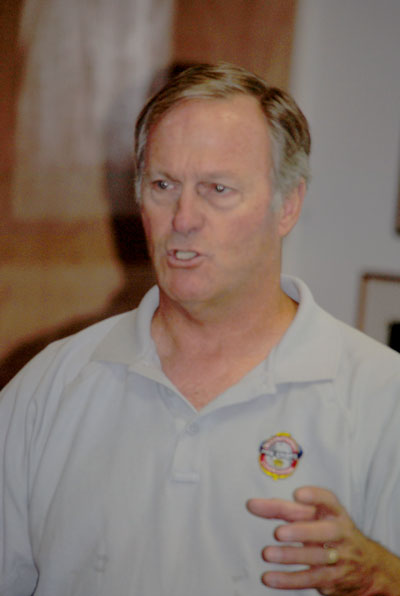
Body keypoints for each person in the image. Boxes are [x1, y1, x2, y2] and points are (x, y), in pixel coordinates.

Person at [1, 63, 400, 596]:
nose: (183, 218)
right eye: (164, 185)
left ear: (289, 205)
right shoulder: (49, 387)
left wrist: (381, 577)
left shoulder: (380, 396)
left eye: (218, 189)